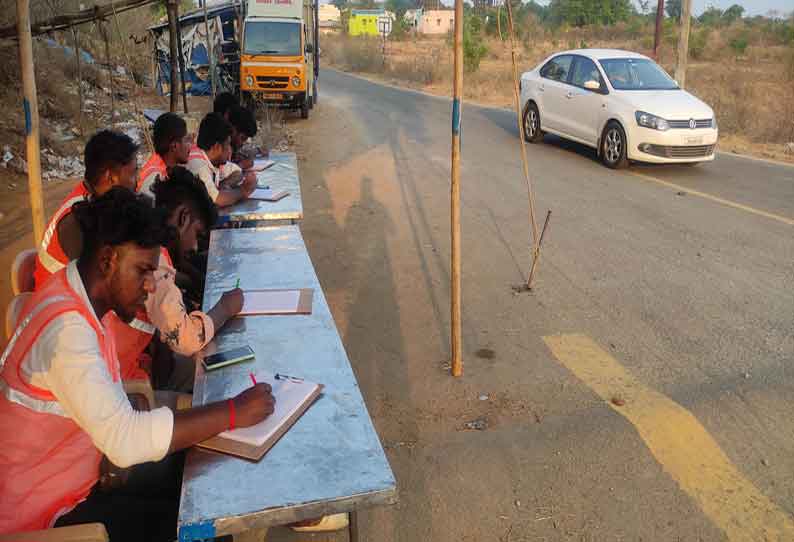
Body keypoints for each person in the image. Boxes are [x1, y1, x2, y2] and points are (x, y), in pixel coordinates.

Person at [0, 188, 275, 540]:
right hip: (44, 514)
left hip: (76, 472)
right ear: (108, 260)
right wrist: (234, 411)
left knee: (202, 472)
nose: (149, 286)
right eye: (143, 271)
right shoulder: (67, 332)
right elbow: (126, 441)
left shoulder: (74, 295)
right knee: (203, 516)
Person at [108, 167, 245, 385]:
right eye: (197, 234)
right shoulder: (152, 264)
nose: (195, 245)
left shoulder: (144, 242)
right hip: (128, 382)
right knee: (221, 380)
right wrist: (225, 309)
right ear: (183, 217)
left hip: (129, 365)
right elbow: (187, 339)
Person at [33, 130, 139, 289]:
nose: (136, 183)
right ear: (110, 177)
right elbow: (97, 284)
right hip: (57, 302)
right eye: (133, 174)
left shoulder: (96, 200)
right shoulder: (76, 219)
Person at [186, 112, 256, 207]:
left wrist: (224, 185)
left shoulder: (214, 161)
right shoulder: (198, 164)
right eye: (227, 145)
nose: (230, 150)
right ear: (217, 147)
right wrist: (243, 191)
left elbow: (237, 172)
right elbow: (216, 199)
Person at [138, 113, 192, 196]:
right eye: (187, 140)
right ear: (174, 146)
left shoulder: (168, 169)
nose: (190, 146)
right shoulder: (154, 179)